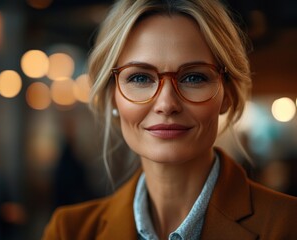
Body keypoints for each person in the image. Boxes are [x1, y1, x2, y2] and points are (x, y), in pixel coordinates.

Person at [42, 0, 297, 239]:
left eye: (194, 77)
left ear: (227, 94)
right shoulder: (69, 231)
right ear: (112, 97)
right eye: (140, 78)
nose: (166, 104)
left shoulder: (287, 225)